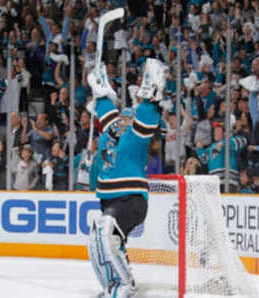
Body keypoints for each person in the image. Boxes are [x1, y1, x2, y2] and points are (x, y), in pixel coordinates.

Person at [87, 58, 169, 298]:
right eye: (123, 116)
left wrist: (150, 91)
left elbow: (147, 115)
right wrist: (99, 83)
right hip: (108, 199)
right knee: (99, 241)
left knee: (104, 231)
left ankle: (125, 286)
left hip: (131, 198)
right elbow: (104, 106)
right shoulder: (113, 127)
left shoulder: (136, 137)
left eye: (128, 117)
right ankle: (112, 285)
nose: (124, 119)